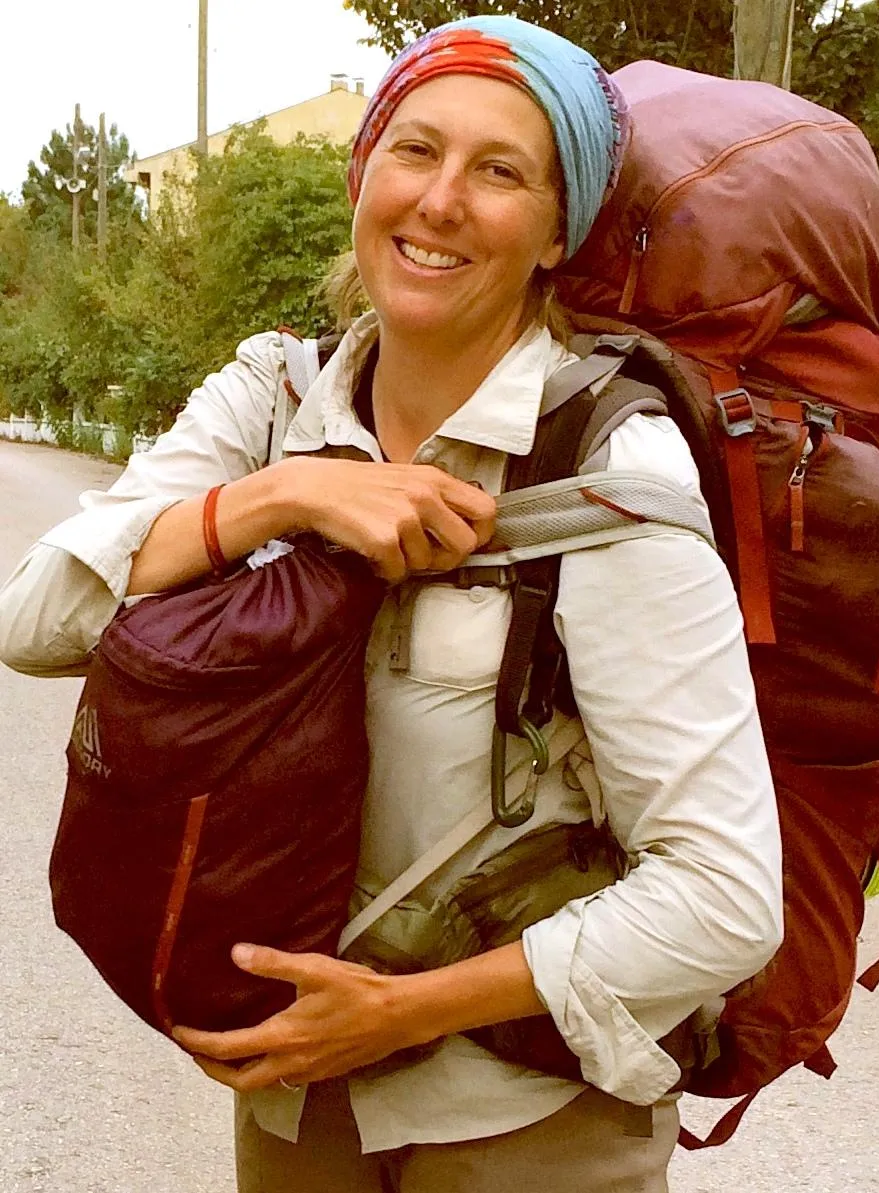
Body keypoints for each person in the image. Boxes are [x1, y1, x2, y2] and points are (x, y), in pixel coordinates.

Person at [0, 15, 783, 1192]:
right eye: (414, 150)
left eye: (501, 170)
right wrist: (274, 499)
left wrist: (400, 1012)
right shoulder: (272, 399)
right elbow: (32, 619)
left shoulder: (608, 468)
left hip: (524, 1115)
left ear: (556, 231)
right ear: (364, 173)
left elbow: (725, 897)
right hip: (294, 1095)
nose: (441, 199)